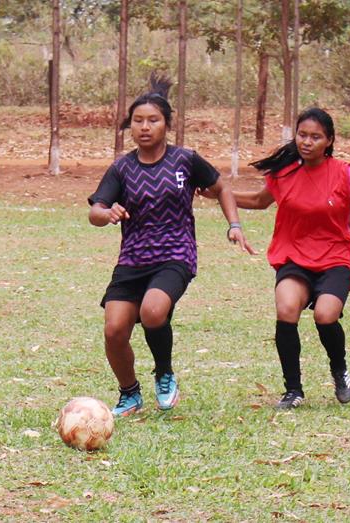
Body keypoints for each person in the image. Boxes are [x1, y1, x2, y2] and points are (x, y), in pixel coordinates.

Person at [88, 80, 254, 417]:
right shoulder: (123, 167)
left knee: (152, 311)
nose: (145, 127)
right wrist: (106, 213)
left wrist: (234, 225)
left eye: (153, 120)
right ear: (130, 125)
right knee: (114, 329)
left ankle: (164, 374)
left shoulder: (185, 160)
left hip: (176, 253)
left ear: (167, 123)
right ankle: (130, 393)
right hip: (133, 257)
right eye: (138, 120)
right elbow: (94, 211)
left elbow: (221, 188)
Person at [225, 108, 350, 409]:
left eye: (315, 137)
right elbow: (258, 201)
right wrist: (220, 194)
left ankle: (340, 370)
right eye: (302, 135)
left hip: (335, 257)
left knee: (325, 315)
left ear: (329, 140)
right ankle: (293, 390)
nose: (307, 142)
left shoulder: (343, 173)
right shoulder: (284, 172)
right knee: (286, 309)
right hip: (293, 258)